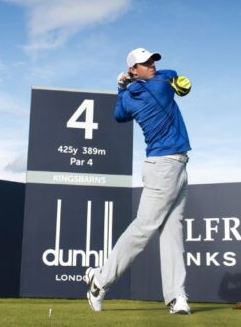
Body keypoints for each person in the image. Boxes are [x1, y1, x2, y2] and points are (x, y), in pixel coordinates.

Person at [84, 47, 192, 315]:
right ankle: (100, 280)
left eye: (153, 60)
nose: (153, 65)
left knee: (171, 231)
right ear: (134, 68)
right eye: (145, 63)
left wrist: (122, 86)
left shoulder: (131, 97)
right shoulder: (159, 86)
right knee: (144, 228)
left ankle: (176, 296)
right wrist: (131, 82)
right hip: (163, 167)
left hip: (175, 165)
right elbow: (172, 74)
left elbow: (119, 114)